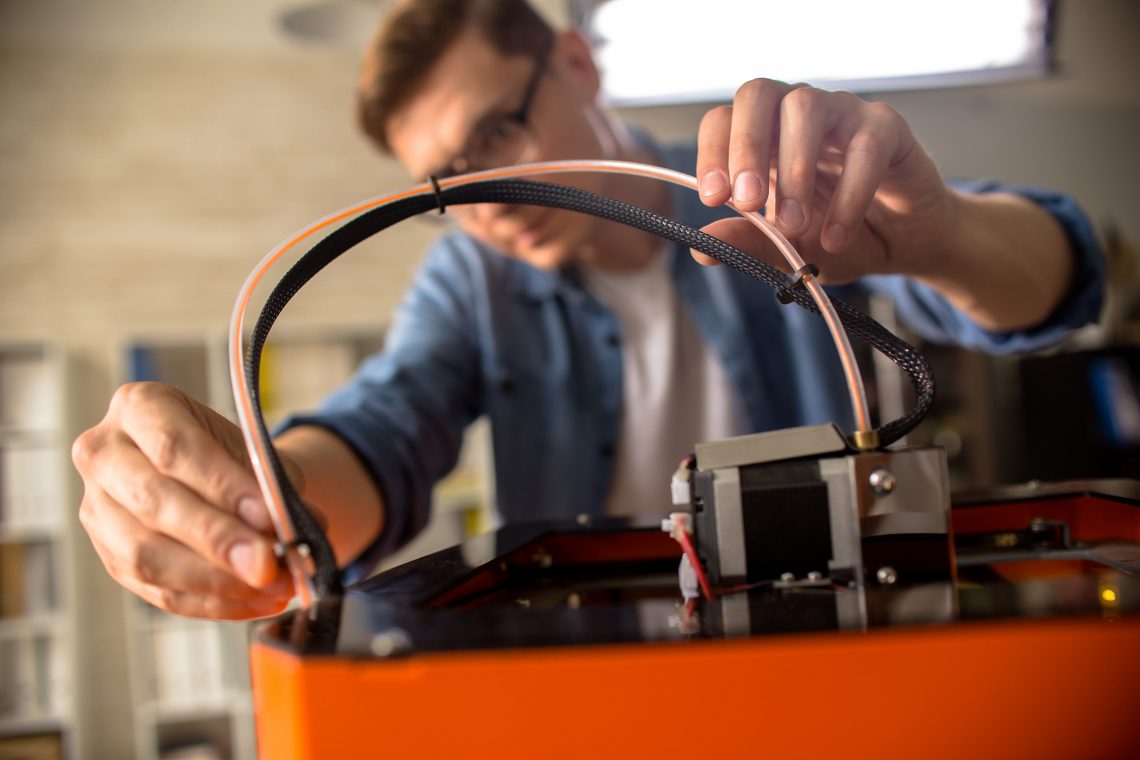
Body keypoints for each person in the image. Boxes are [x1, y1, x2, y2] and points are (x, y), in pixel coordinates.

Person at [72, 0, 1103, 620]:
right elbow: (385, 430)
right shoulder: (472, 285)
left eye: (497, 136)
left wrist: (940, 238)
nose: (490, 204)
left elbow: (1060, 287)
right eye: (447, 188)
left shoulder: (774, 204)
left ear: (574, 64)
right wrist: (269, 504)